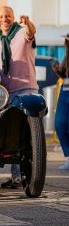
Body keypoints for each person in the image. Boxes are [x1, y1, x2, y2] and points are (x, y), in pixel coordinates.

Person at [0, 6, 39, 189]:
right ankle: (16, 177)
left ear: (13, 18)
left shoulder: (22, 32)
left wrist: (27, 22)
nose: (4, 19)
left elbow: (31, 33)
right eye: (1, 16)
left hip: (26, 89)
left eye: (8, 16)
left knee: (28, 133)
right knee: (13, 133)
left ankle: (33, 172)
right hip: (7, 92)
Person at [51, 33, 69, 170]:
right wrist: (58, 71)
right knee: (60, 124)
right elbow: (64, 74)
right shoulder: (67, 55)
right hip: (66, 89)